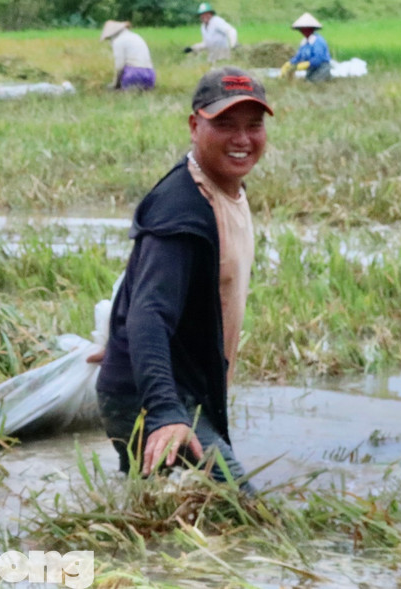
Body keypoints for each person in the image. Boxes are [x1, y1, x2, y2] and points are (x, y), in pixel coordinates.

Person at [92, 67, 272, 488]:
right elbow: (150, 311)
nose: (242, 140)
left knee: (163, 516)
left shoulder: (220, 186)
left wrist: (116, 335)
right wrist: (165, 413)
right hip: (158, 398)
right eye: (225, 125)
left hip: (177, 385)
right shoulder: (184, 210)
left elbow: (139, 278)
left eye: (254, 126)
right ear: (195, 125)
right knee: (242, 514)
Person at [101, 20, 154, 90]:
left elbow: (119, 66)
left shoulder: (118, 41)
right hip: (150, 74)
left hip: (134, 74)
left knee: (117, 93)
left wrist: (115, 84)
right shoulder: (136, 36)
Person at [285, 13, 332, 82]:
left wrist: (305, 64)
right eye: (302, 29)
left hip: (322, 67)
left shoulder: (318, 41)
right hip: (311, 68)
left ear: (311, 29)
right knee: (307, 81)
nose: (303, 31)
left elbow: (318, 59)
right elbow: (299, 56)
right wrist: (290, 63)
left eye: (306, 29)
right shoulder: (304, 42)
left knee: (314, 82)